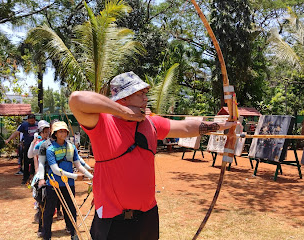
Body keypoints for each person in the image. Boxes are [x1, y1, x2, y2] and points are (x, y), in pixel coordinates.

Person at [68, 71, 237, 240]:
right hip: (113, 220)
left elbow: (186, 127)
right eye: (140, 93)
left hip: (147, 218)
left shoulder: (151, 123)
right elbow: (76, 99)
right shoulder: (103, 124)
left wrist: (221, 125)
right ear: (124, 98)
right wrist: (124, 113)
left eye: (145, 94)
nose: (145, 98)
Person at [41, 121, 91, 240]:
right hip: (54, 184)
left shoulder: (71, 147)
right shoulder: (50, 149)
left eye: (65, 131)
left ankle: (73, 232)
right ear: (55, 134)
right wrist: (74, 176)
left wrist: (91, 176)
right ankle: (46, 235)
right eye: (60, 131)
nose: (63, 133)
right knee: (49, 210)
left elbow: (78, 165)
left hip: (69, 184)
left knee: (71, 209)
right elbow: (55, 170)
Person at [5, 114, 38, 185]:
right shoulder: (24, 125)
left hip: (36, 146)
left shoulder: (38, 125)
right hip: (27, 146)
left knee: (34, 162)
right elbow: (16, 133)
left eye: (33, 121)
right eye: (30, 121)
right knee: (26, 162)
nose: (32, 122)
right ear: (28, 120)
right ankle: (25, 178)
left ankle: (34, 178)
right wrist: (9, 139)